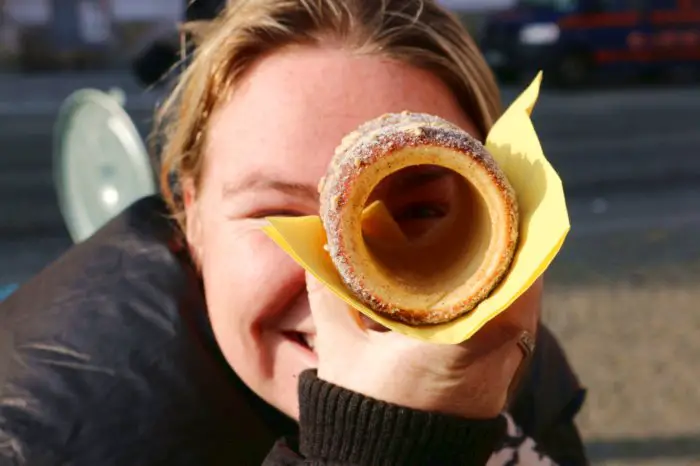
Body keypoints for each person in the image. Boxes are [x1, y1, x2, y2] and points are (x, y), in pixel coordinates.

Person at [0, 0, 587, 464]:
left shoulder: (515, 362)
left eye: (419, 213)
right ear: (188, 211)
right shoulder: (41, 440)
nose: (347, 291)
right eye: (277, 218)